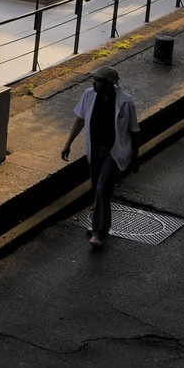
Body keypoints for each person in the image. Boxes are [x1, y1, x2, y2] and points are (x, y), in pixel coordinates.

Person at [60, 65, 140, 249]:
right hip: (96, 150)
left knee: (103, 188)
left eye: (97, 81)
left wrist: (135, 156)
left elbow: (134, 131)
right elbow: (79, 120)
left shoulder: (126, 103)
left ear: (109, 84)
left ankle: (99, 231)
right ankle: (101, 224)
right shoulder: (89, 95)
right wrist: (68, 144)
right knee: (97, 187)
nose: (93, 83)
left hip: (114, 151)